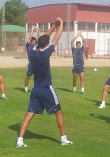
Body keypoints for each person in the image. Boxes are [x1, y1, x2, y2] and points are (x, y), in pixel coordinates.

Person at [16, 17, 73, 148]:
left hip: (35, 90)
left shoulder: (32, 52)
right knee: (58, 111)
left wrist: (54, 25)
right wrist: (61, 24)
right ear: (46, 45)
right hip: (46, 89)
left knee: (29, 114)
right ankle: (64, 139)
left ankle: (19, 140)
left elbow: (46, 37)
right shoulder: (45, 53)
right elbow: (56, 38)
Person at [24, 25, 40, 93]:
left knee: (37, 77)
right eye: (33, 41)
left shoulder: (36, 46)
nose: (34, 42)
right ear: (31, 42)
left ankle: (36, 89)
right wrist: (32, 29)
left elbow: (39, 38)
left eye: (35, 41)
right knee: (28, 76)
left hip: (36, 64)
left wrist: (39, 30)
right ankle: (26, 88)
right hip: (30, 63)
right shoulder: (28, 46)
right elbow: (30, 37)